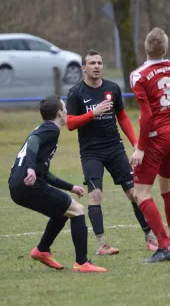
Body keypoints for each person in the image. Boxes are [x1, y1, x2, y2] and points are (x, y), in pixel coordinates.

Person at [66, 50, 158, 255]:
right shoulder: (76, 92)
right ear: (83, 68)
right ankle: (101, 245)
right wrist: (93, 113)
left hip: (115, 148)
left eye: (99, 62)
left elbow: (122, 117)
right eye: (92, 63)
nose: (97, 66)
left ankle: (150, 238)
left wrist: (135, 143)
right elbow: (70, 124)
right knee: (95, 195)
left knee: (134, 193)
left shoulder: (112, 88)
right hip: (91, 152)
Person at [8, 95, 107, 273]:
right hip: (26, 182)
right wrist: (30, 168)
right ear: (60, 113)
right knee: (77, 210)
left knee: (62, 211)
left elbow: (44, 173)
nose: (67, 111)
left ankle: (42, 250)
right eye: (65, 108)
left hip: (18, 185)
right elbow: (33, 141)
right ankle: (82, 263)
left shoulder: (46, 129)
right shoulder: (51, 129)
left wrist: (70, 187)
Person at [129, 27, 170, 263]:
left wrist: (140, 147)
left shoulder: (138, 75)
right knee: (167, 188)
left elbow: (146, 116)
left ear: (146, 47)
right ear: (165, 48)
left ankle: (164, 246)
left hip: (156, 138)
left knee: (140, 193)